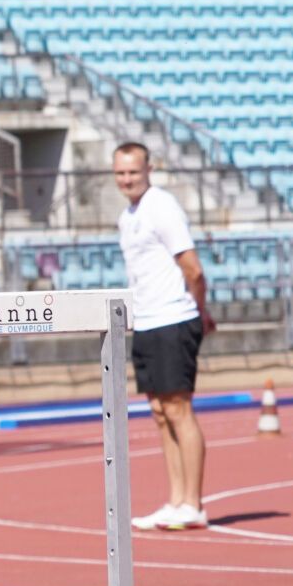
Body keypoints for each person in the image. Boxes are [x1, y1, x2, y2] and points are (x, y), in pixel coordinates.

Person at [111, 142, 216, 530]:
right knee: (158, 413)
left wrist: (201, 311)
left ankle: (194, 502)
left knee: (178, 409)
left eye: (133, 172)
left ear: (148, 170)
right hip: (147, 320)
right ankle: (175, 500)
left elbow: (193, 268)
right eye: (120, 173)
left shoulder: (161, 206)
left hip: (174, 317)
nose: (126, 179)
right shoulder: (129, 215)